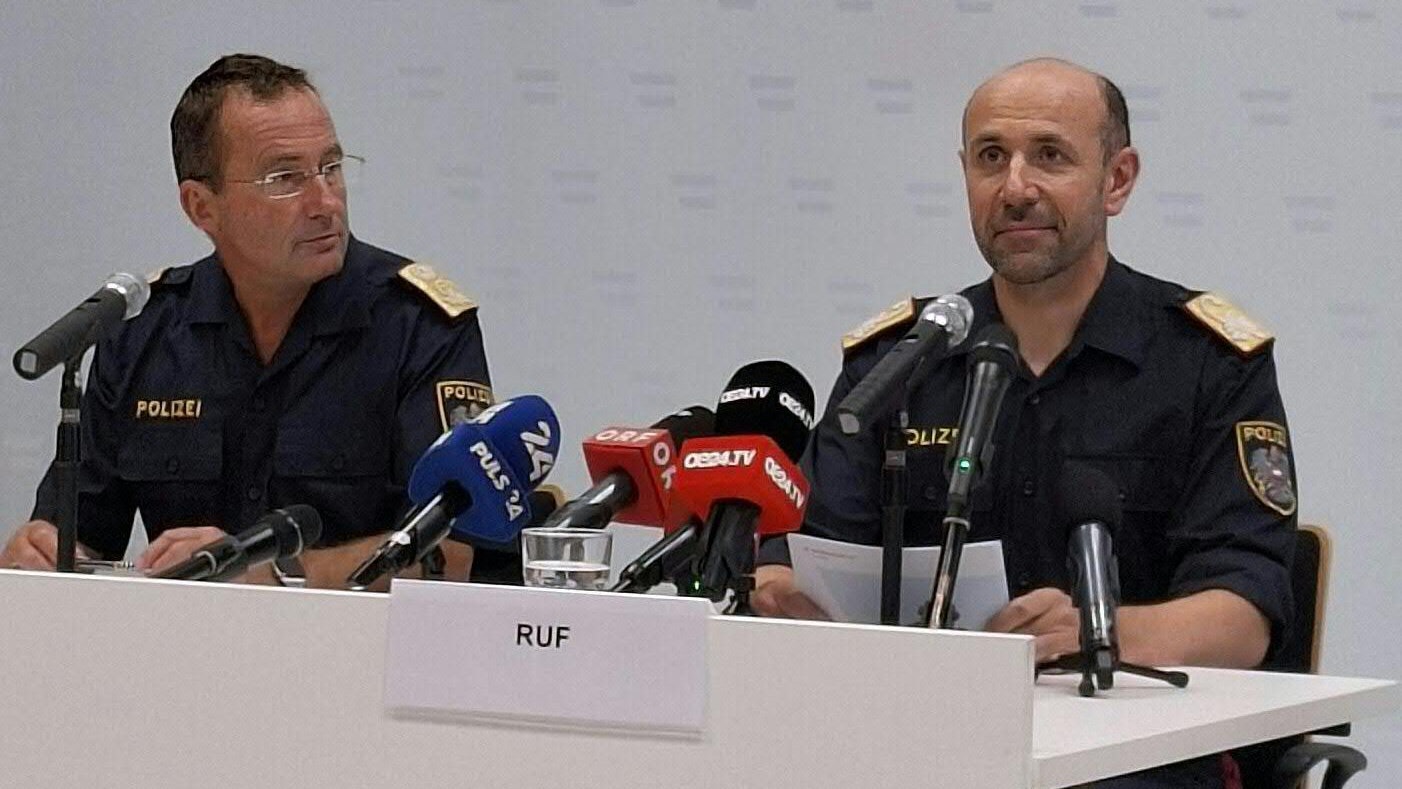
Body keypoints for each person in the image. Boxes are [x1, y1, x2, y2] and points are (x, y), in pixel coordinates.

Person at [751, 58, 1296, 787]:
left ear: (1117, 179)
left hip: (1132, 755)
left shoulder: (1207, 363)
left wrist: (1100, 631)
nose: (1014, 188)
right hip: (918, 747)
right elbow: (806, 549)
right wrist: (784, 590)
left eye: (1050, 156)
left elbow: (1244, 611)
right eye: (990, 158)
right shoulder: (902, 361)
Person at [0, 54, 494, 588]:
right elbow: (82, 535)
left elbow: (453, 555)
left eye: (330, 167)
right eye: (285, 178)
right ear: (201, 207)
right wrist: (45, 553)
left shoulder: (419, 327)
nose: (325, 201)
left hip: (361, 658)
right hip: (177, 656)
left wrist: (278, 573)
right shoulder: (140, 334)